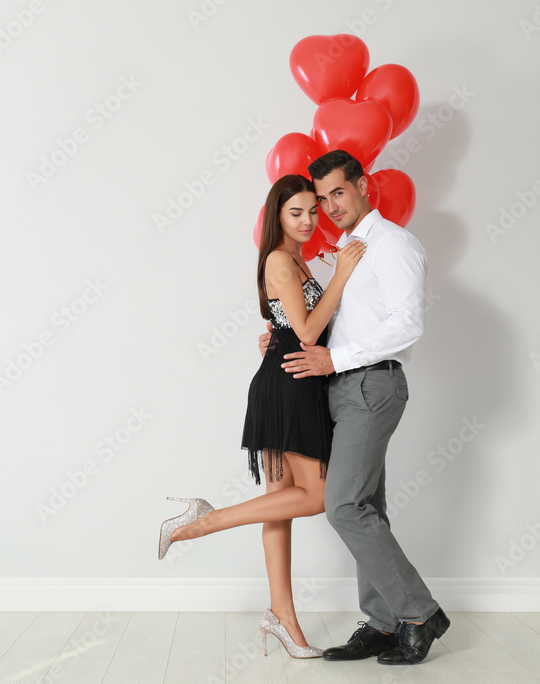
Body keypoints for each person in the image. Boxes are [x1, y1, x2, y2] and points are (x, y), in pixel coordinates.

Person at [156, 174, 365, 659]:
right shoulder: (278, 259)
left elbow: (294, 326)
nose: (310, 219)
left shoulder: (300, 260)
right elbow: (310, 332)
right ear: (277, 217)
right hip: (287, 389)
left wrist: (283, 328)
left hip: (292, 380)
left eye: (313, 210)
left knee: (282, 503)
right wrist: (341, 276)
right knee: (315, 496)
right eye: (297, 213)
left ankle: (282, 618)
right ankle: (204, 521)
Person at [273, 149, 449, 665]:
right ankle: (384, 621)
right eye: (322, 198)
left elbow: (406, 323)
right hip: (344, 387)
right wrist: (281, 340)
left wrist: (337, 360)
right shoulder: (348, 249)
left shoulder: (393, 244)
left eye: (338, 193)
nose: (329, 206)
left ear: (363, 185)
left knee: (343, 505)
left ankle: (419, 613)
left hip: (372, 386)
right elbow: (344, 321)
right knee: (367, 507)